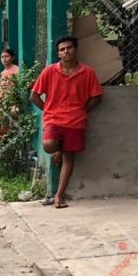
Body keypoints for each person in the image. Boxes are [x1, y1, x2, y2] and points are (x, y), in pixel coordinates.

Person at [30, 36, 103, 209]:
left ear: (75, 49)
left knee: (69, 158)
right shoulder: (49, 71)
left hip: (75, 121)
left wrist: (82, 110)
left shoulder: (88, 72)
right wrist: (48, 109)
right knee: (48, 145)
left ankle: (59, 197)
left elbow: (97, 97)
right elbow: (34, 96)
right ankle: (58, 149)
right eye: (62, 49)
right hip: (53, 119)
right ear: (58, 54)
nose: (66, 51)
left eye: (69, 48)